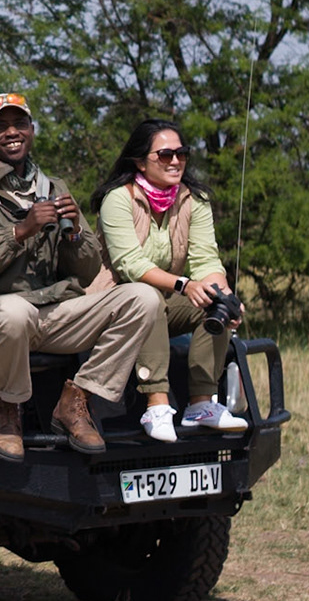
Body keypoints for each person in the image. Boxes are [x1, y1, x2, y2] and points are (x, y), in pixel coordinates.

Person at [0, 93, 163, 459]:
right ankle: (6, 411)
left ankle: (77, 400)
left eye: (19, 124)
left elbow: (87, 273)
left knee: (144, 298)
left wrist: (74, 236)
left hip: (51, 312)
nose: (12, 132)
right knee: (12, 312)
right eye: (0, 126)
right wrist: (18, 232)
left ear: (32, 131)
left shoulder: (53, 187)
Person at [92, 119, 248, 443]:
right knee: (146, 297)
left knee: (216, 301)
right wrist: (184, 285)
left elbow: (206, 261)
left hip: (161, 297)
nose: (175, 161)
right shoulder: (118, 199)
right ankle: (157, 405)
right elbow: (131, 265)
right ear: (139, 160)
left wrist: (225, 295)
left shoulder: (195, 200)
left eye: (182, 153)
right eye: (164, 155)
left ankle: (202, 404)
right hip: (112, 302)